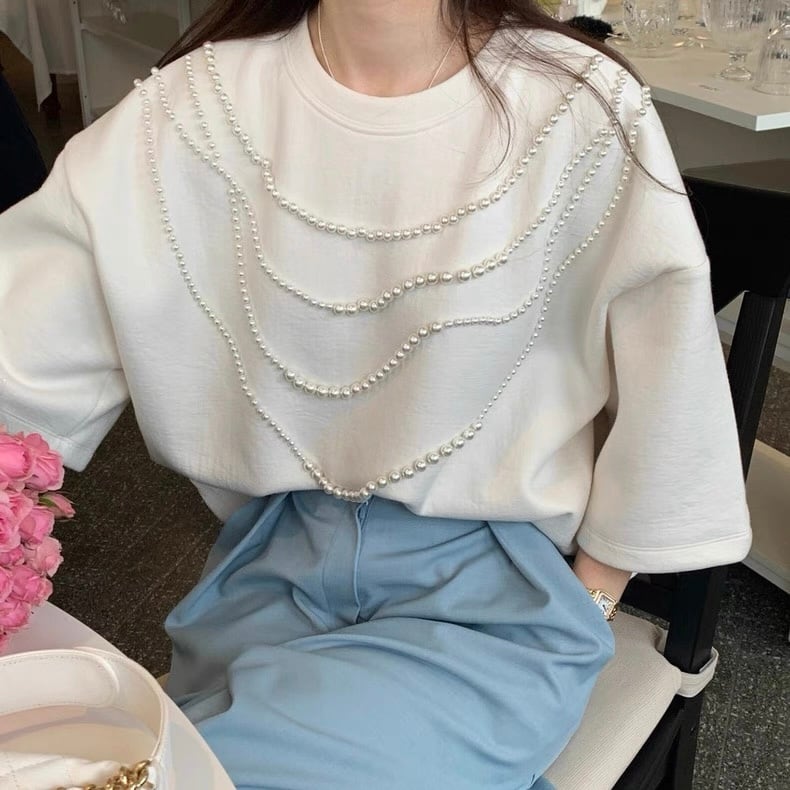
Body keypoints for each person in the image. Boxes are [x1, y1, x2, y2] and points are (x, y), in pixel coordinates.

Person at [0, 1, 751, 788]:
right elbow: (25, 355)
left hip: (491, 605)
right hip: (263, 586)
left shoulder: (579, 107)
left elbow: (672, 397)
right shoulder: (183, 111)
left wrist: (587, 603)